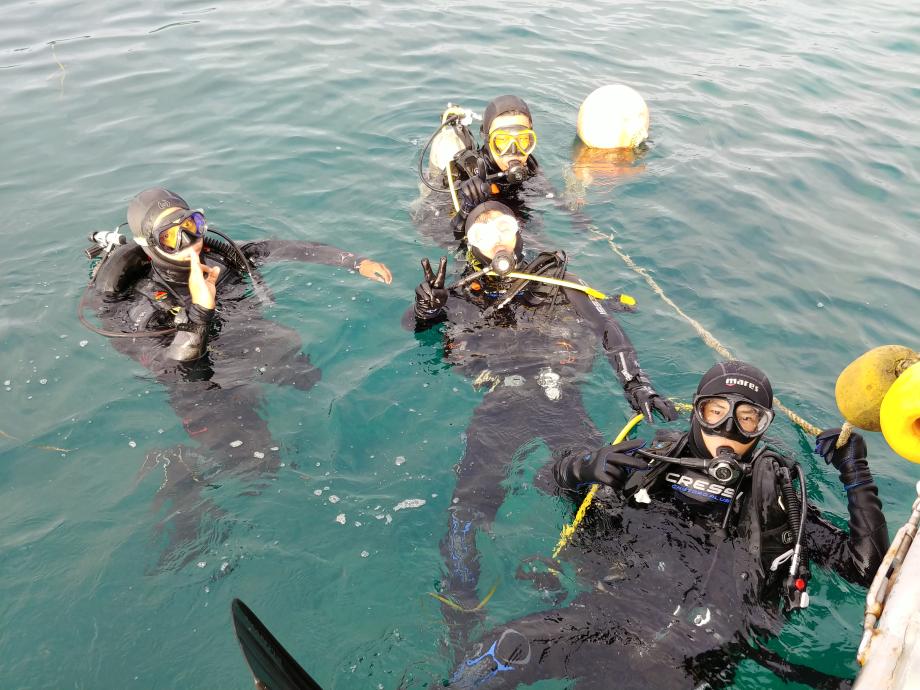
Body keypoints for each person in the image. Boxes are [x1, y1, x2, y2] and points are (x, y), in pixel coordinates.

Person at [443, 360, 889, 689]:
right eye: (716, 411)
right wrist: (583, 467)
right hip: (608, 616)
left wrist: (856, 474)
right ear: (696, 411)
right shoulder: (652, 463)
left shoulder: (776, 500)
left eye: (747, 418)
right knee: (506, 650)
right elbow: (549, 482)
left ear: (761, 429)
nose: (728, 430)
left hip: (694, 653)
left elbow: (866, 569)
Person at [406, 200, 676, 640]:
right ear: (470, 245)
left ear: (519, 232)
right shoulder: (457, 294)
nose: (496, 239)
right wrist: (426, 311)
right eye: (483, 232)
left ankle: (613, 590)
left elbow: (609, 330)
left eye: (503, 226)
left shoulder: (559, 281)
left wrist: (635, 383)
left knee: (600, 484)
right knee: (467, 506)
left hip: (560, 398)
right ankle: (459, 605)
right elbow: (414, 329)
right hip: (501, 401)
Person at [80, 187, 392, 565]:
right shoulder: (142, 307)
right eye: (172, 237)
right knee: (258, 470)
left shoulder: (222, 258)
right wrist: (200, 309)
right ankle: (179, 465)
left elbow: (283, 248)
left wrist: (355, 262)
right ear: (150, 248)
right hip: (204, 387)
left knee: (310, 378)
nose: (190, 242)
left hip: (249, 348)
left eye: (192, 225)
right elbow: (181, 369)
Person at [414, 95, 557, 245]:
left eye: (523, 140)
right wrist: (465, 211)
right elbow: (426, 227)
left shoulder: (529, 166)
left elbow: (554, 198)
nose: (514, 151)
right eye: (502, 141)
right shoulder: (462, 172)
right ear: (487, 139)